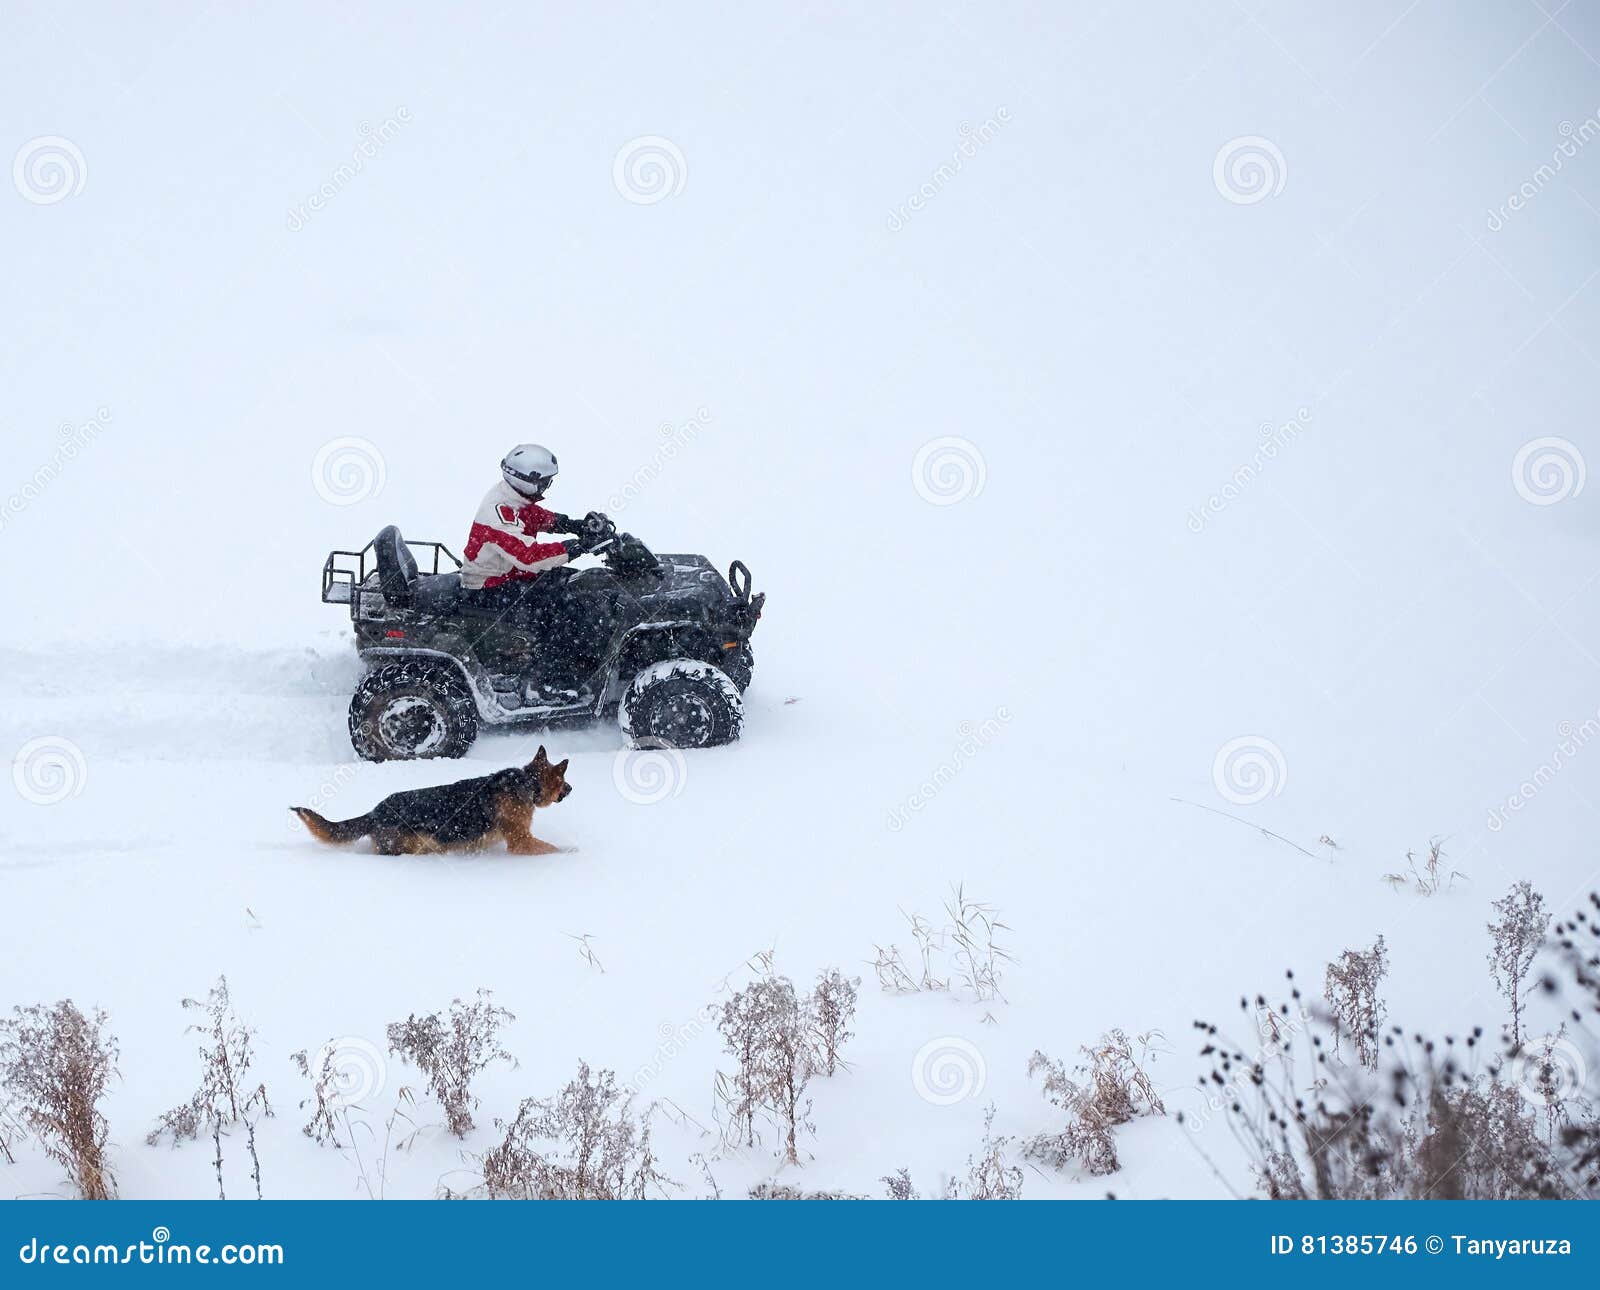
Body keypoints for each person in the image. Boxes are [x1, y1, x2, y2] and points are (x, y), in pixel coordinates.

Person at [462, 444, 606, 699]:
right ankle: (547, 680)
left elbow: (534, 517)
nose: (546, 488)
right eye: (545, 483)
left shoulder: (510, 496)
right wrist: (578, 546)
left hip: (508, 573)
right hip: (490, 587)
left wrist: (572, 525)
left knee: (573, 583)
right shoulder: (498, 514)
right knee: (564, 609)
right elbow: (529, 557)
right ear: (529, 482)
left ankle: (575, 659)